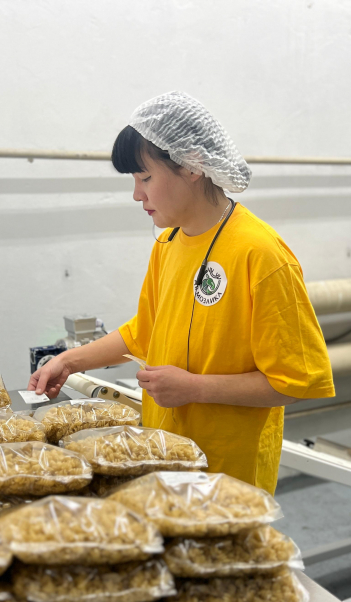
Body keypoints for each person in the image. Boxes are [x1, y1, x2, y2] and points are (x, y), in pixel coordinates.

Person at [28, 91, 334, 494]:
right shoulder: (169, 242)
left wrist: (195, 388)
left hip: (227, 474)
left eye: (145, 178)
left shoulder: (260, 254)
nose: (137, 195)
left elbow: (294, 381)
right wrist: (69, 362)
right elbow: (144, 332)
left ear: (191, 165)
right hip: (164, 456)